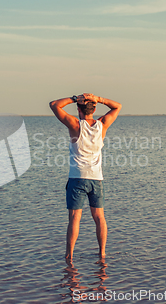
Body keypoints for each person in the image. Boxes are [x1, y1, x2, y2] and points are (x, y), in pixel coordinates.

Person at [49, 93, 122, 262]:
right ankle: (102, 253)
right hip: (96, 179)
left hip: (77, 178)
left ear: (78, 109)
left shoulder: (75, 124)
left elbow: (54, 104)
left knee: (75, 218)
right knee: (99, 217)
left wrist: (75, 98)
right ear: (94, 108)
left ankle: (69, 256)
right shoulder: (102, 124)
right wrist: (100, 98)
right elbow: (117, 106)